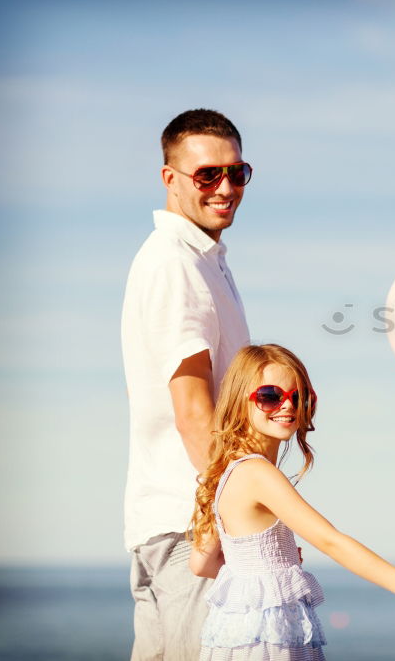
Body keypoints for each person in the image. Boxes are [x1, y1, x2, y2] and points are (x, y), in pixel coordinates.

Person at [189, 344, 395, 659]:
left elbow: (201, 563)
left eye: (299, 397)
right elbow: (330, 541)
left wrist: (267, 563)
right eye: (270, 396)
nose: (287, 405)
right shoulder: (258, 473)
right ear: (239, 401)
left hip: (238, 637)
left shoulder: (223, 472)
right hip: (269, 641)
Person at [121, 108, 253, 659]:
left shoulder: (202, 260)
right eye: (207, 175)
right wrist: (239, 514)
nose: (224, 187)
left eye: (237, 173)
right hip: (194, 529)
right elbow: (193, 411)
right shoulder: (176, 263)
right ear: (169, 178)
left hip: (169, 522)